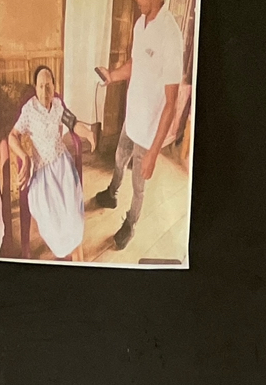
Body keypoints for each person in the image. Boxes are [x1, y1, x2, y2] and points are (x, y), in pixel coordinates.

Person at [91, 0, 184, 251]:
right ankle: (112, 193)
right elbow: (135, 63)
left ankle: (131, 224)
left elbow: (171, 102)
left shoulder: (170, 35)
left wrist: (153, 153)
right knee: (119, 157)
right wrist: (112, 75)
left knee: (139, 185)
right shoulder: (140, 23)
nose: (136, 1)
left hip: (149, 130)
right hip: (132, 117)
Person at [9, 65, 95, 262]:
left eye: (48, 86)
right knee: (54, 219)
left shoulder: (57, 105)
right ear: (35, 87)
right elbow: (12, 136)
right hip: (43, 175)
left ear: (54, 86)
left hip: (63, 167)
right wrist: (25, 156)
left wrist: (89, 133)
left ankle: (77, 258)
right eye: (40, 86)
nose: (45, 91)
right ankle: (75, 257)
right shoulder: (29, 110)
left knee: (72, 215)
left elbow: (73, 123)